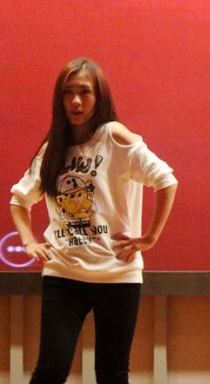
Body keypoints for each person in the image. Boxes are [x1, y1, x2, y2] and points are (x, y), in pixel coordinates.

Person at [10, 58, 179, 384]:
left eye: (85, 93)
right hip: (64, 274)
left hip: (118, 275)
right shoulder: (53, 149)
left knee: (112, 375)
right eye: (68, 93)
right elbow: (19, 201)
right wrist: (29, 241)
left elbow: (166, 180)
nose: (76, 101)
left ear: (99, 97)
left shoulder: (115, 137)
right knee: (51, 370)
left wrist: (150, 237)